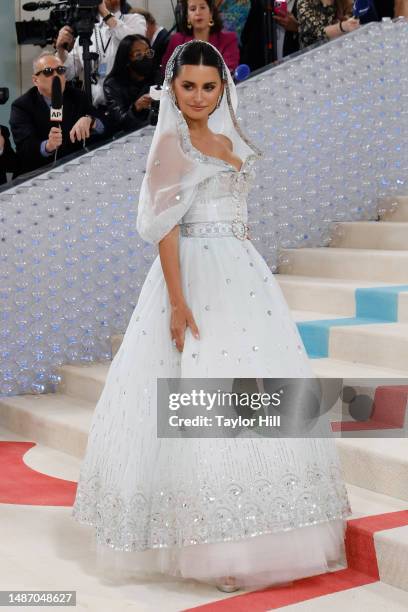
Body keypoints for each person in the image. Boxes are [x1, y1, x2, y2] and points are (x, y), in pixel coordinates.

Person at [72, 40, 351, 592]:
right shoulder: (171, 146)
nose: (199, 97)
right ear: (172, 89)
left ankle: (261, 530)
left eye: (209, 86)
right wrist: (177, 302)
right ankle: (212, 544)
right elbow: (164, 228)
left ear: (222, 88)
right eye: (188, 87)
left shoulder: (229, 140)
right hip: (193, 277)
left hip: (242, 277)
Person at [10, 53, 104, 176]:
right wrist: (47, 146)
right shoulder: (22, 106)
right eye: (48, 71)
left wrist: (91, 121)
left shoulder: (77, 96)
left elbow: (107, 124)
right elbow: (25, 149)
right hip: (37, 175)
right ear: (35, 80)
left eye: (60, 70)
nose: (56, 76)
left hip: (74, 172)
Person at [55, 0, 147, 107]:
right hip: (96, 109)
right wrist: (61, 50)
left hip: (126, 107)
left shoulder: (135, 20)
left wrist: (105, 13)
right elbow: (69, 73)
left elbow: (134, 44)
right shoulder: (87, 31)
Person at [161, 0, 240, 74]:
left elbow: (227, 74)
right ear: (187, 17)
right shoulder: (176, 40)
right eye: (193, 9)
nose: (198, 12)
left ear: (211, 13)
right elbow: (167, 72)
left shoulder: (228, 40)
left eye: (202, 7)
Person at [103, 35, 161, 133]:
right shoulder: (112, 85)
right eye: (139, 55)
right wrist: (136, 108)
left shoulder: (157, 76)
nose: (146, 57)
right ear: (127, 61)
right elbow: (121, 123)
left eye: (148, 52)